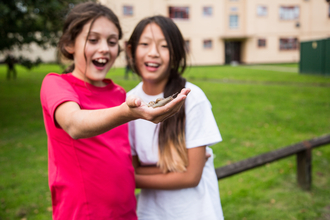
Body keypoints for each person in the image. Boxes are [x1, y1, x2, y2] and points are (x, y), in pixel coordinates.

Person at [40, 3, 189, 220]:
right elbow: (74, 124)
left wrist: (188, 161)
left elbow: (125, 162)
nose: (104, 48)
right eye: (93, 40)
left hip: (126, 213)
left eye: (112, 42)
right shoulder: (56, 84)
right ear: (70, 44)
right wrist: (126, 113)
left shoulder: (119, 93)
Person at [126, 15, 224, 220]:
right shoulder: (129, 103)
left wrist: (131, 179)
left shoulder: (191, 97)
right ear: (131, 50)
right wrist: (178, 168)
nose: (153, 53)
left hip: (196, 212)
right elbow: (134, 166)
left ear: (176, 53)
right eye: (144, 44)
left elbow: (191, 176)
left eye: (164, 46)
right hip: (150, 213)